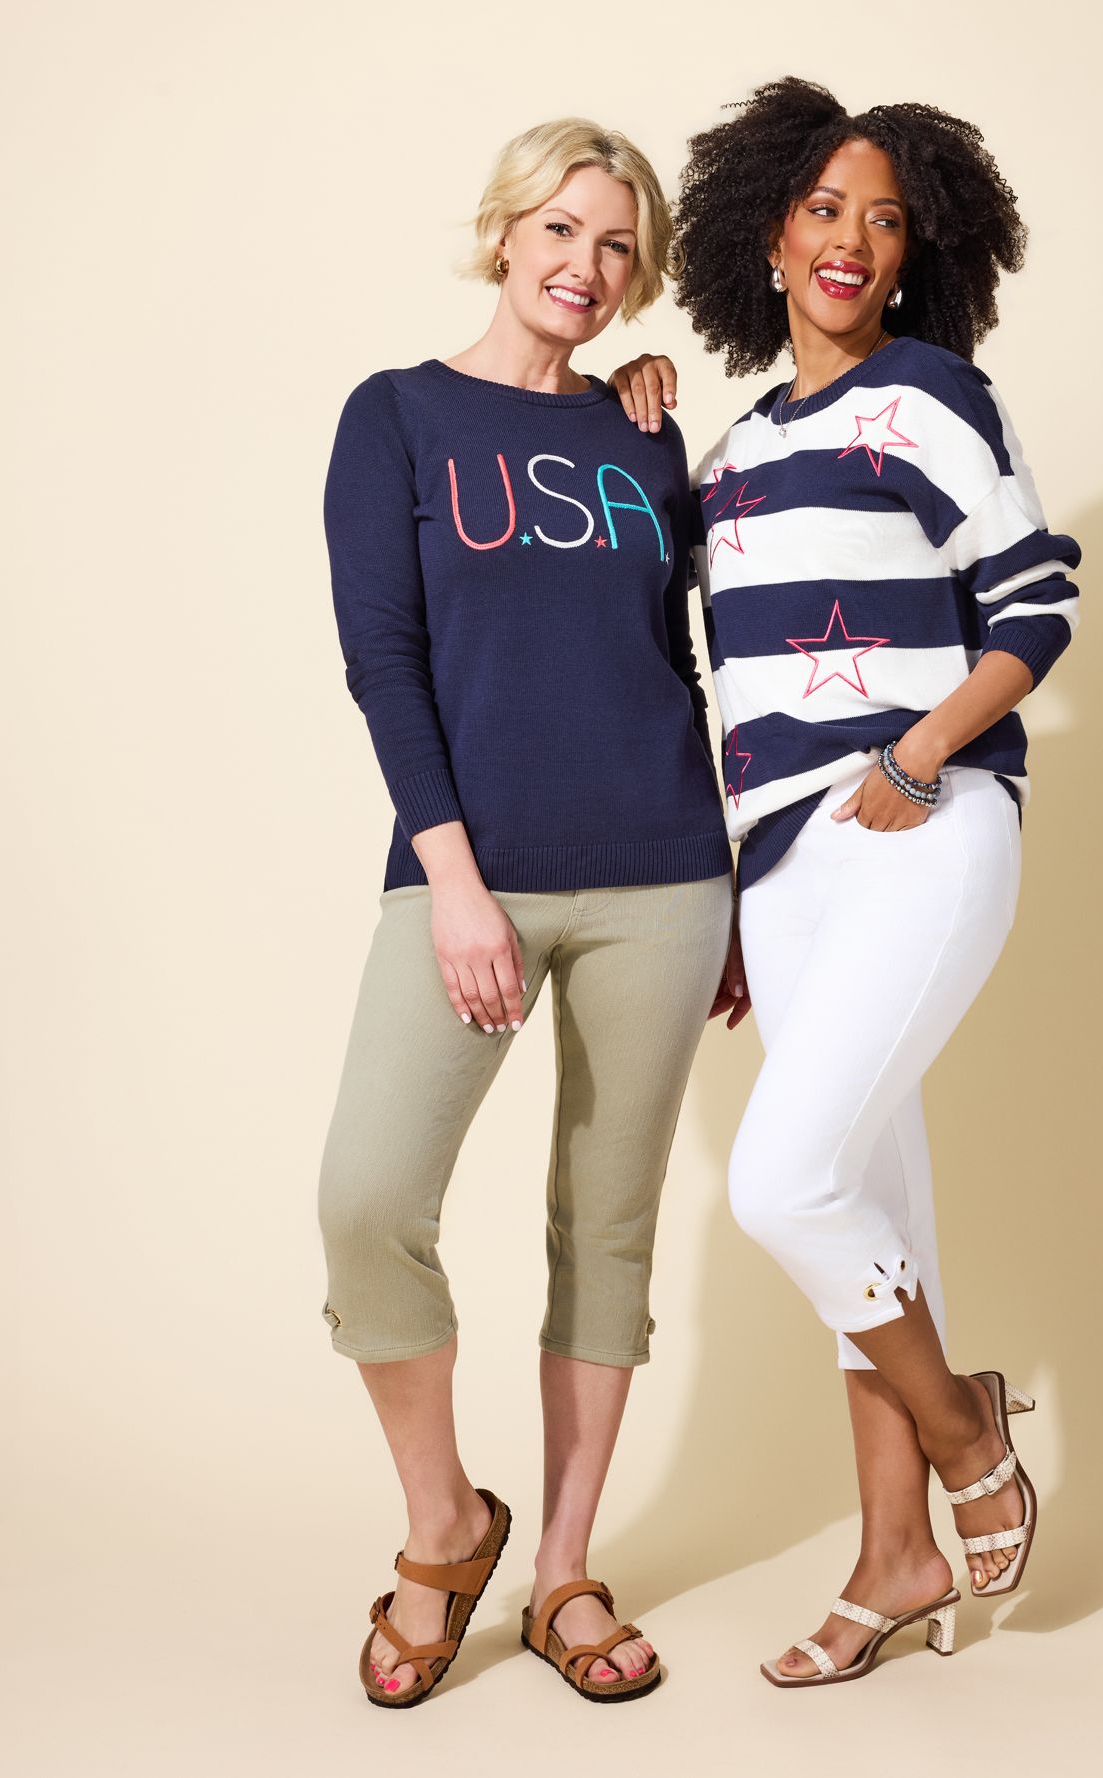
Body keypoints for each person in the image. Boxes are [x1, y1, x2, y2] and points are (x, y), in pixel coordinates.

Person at [610, 78, 1083, 1687]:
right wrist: (637, 409)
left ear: (916, 251)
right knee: (871, 1201)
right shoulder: (736, 453)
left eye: (884, 220)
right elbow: (713, 668)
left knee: (784, 1179)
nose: (852, 241)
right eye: (825, 209)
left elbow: (1035, 604)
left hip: (920, 822)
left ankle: (968, 1436)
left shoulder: (931, 395)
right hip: (785, 867)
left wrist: (920, 754)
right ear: (768, 231)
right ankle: (892, 1560)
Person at [319, 117, 740, 1709]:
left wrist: (736, 885)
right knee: (369, 1197)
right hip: (472, 874)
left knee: (605, 1232)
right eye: (561, 229)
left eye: (618, 245)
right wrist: (454, 880)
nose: (586, 264)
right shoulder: (397, 415)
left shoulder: (647, 437)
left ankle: (563, 1567)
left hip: (666, 872)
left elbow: (680, 662)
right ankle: (449, 1528)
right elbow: (384, 658)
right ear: (504, 231)